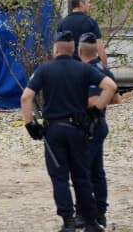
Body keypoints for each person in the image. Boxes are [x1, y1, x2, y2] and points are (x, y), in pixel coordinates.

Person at [20, 31, 117, 232]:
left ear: (56, 49)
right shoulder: (83, 69)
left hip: (54, 130)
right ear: (74, 49)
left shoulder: (45, 70)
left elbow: (26, 97)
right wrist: (96, 111)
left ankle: (68, 221)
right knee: (81, 176)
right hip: (78, 129)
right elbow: (111, 86)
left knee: (60, 178)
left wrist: (31, 125)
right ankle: (91, 221)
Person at [74, 32, 121, 229]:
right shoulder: (104, 69)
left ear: (80, 50)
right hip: (98, 124)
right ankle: (99, 211)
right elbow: (117, 98)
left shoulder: (89, 71)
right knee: (96, 170)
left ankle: (88, 213)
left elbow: (93, 100)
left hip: (90, 125)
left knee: (84, 171)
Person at [57, 0, 108, 67]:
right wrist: (105, 68)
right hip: (87, 68)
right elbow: (100, 48)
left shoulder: (62, 23)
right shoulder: (90, 22)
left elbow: (58, 49)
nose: (89, 5)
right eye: (88, 2)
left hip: (68, 68)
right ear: (81, 4)